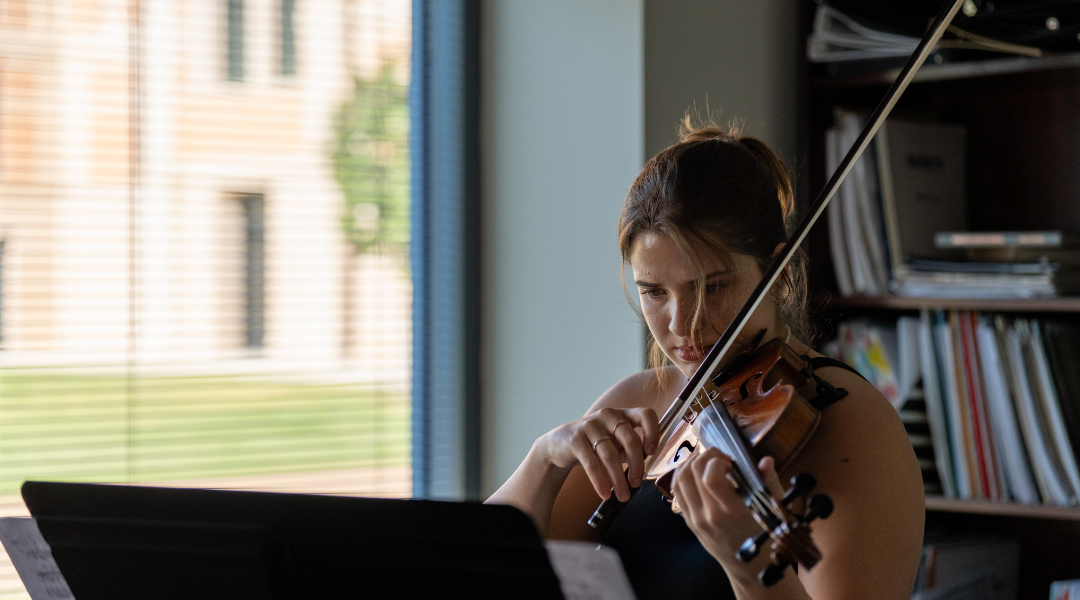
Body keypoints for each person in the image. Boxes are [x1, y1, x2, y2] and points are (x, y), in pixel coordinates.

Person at [487, 119, 924, 599]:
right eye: (653, 292)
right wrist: (545, 458)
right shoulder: (643, 399)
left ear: (777, 274)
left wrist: (749, 562)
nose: (681, 325)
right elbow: (475, 568)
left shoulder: (849, 423)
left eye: (712, 288)